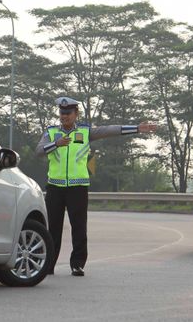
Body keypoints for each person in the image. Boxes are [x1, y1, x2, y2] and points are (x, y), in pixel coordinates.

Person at [35, 97, 156, 276]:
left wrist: (137, 128)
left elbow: (110, 130)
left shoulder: (85, 132)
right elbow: (38, 151)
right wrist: (55, 144)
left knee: (79, 227)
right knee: (52, 227)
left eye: (68, 113)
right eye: (62, 113)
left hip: (78, 187)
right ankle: (48, 264)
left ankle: (77, 264)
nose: (64, 116)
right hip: (55, 187)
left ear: (76, 114)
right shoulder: (51, 132)